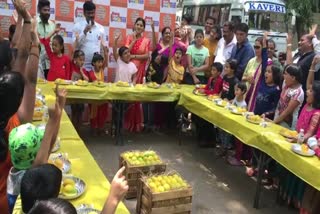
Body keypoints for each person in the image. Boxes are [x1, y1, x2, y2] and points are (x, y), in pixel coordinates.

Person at [1, 1, 40, 212]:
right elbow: (30, 78)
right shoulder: (17, 124)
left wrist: (24, 19)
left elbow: (18, 52)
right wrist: (28, 24)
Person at [7, 86, 66, 211]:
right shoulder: (30, 177)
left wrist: (59, 107)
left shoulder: (17, 170)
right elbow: (48, 144)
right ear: (35, 154)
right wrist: (53, 119)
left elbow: (49, 143)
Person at [278, 81, 320, 209]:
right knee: (289, 171)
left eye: (311, 91)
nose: (307, 91)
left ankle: (294, 200)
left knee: (297, 176)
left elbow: (309, 133)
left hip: (304, 148)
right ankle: (284, 195)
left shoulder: (317, 113)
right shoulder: (306, 105)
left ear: (317, 95)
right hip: (296, 142)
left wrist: (296, 139)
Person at [124, 17, 150, 132]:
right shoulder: (129, 37)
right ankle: (126, 124)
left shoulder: (146, 40)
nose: (139, 27)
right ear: (134, 25)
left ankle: (136, 125)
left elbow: (146, 56)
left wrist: (133, 56)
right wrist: (133, 41)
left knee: (136, 98)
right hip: (128, 70)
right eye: (137, 24)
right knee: (128, 96)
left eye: (141, 25)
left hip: (139, 71)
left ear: (144, 28)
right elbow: (125, 52)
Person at [72, 1, 108, 71]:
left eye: (93, 13)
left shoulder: (100, 28)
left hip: (96, 67)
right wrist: (84, 32)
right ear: (84, 13)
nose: (91, 15)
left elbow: (103, 48)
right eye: (89, 13)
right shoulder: (77, 26)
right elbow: (74, 46)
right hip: (81, 66)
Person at [217, 59, 239, 155]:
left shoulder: (235, 81)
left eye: (227, 67)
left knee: (226, 128)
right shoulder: (225, 77)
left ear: (233, 69)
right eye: (225, 66)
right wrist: (219, 96)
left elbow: (236, 97)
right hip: (221, 104)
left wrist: (228, 102)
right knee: (219, 126)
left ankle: (225, 147)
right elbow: (223, 89)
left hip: (229, 107)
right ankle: (222, 144)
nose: (225, 69)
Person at [242, 33, 268, 112]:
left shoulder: (267, 64)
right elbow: (243, 77)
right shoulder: (251, 61)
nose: (256, 50)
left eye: (258, 47)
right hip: (245, 94)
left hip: (256, 96)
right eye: (254, 47)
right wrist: (248, 78)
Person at [274, 64, 304, 130]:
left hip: (287, 124)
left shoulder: (298, 93)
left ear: (293, 78)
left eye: (286, 74)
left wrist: (273, 122)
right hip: (278, 117)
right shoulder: (285, 83)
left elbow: (287, 112)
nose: (283, 76)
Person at [227, 82, 249, 165]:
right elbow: (232, 102)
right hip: (234, 123)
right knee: (235, 141)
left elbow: (243, 115)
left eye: (237, 90)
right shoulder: (236, 98)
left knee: (239, 142)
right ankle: (236, 154)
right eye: (235, 90)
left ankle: (238, 159)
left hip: (239, 125)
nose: (235, 92)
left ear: (243, 91)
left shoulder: (243, 105)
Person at [87, 53, 108, 136]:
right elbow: (95, 81)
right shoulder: (91, 72)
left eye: (101, 62)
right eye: (98, 62)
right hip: (94, 98)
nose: (100, 64)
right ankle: (93, 128)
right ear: (93, 63)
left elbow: (106, 62)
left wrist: (105, 50)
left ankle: (101, 128)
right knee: (93, 114)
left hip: (102, 96)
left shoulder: (102, 70)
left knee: (102, 113)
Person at [70, 50, 89, 133]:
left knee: (80, 112)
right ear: (75, 59)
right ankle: (73, 129)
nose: (82, 62)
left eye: (83, 60)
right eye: (80, 60)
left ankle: (79, 130)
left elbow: (87, 80)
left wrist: (81, 71)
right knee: (74, 111)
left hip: (81, 95)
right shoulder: (71, 66)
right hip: (73, 95)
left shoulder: (83, 70)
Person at [37, 0, 56, 79]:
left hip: (49, 64)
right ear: (39, 10)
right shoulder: (34, 23)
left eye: (48, 10)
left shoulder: (52, 25)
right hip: (37, 62)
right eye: (44, 10)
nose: (47, 12)